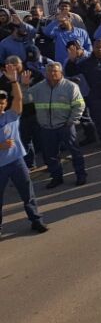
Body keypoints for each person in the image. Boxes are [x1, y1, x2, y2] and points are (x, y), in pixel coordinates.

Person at [0, 64, 48, 238]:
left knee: (28, 193)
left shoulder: (11, 116)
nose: (0, 105)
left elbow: (19, 100)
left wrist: (14, 81)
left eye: (2, 102)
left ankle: (36, 220)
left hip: (17, 161)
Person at [29, 61, 87, 189]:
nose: (52, 73)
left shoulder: (71, 87)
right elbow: (24, 99)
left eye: (55, 71)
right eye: (49, 71)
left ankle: (81, 175)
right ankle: (56, 178)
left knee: (75, 152)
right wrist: (22, 84)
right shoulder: (38, 88)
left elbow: (79, 105)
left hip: (65, 126)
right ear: (45, 73)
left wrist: (71, 121)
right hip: (46, 128)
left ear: (61, 72)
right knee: (51, 155)